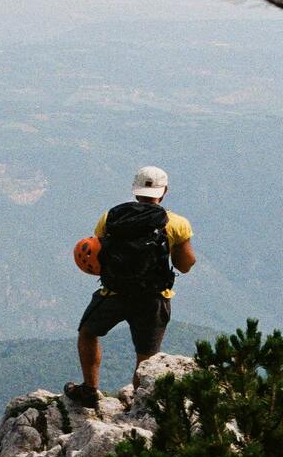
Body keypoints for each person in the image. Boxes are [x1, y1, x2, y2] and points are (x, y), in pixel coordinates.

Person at [65, 165, 196, 408]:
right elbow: (185, 264)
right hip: (154, 298)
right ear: (164, 191)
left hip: (114, 293)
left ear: (135, 189)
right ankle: (138, 405)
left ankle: (89, 389)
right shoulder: (177, 224)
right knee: (146, 357)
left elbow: (99, 252)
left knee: (88, 333)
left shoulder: (111, 217)